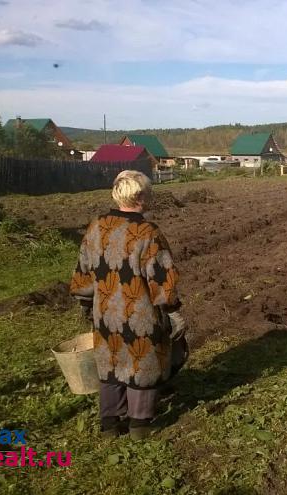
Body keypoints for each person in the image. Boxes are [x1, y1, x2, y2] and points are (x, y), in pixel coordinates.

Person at [69, 170, 185, 439]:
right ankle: (139, 425)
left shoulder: (97, 226)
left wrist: (86, 301)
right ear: (141, 196)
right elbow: (161, 276)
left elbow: (83, 268)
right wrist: (173, 310)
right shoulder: (148, 232)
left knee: (110, 362)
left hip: (105, 312)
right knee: (143, 364)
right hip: (140, 314)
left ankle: (109, 423)